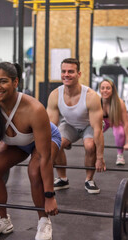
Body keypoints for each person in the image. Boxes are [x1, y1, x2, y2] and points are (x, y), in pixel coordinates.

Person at [0, 62, 61, 240]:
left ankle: (44, 221)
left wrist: (50, 195)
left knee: (34, 170)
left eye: (3, 81)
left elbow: (44, 157)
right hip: (18, 143)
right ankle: (2, 219)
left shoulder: (34, 109)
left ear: (15, 82)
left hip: (45, 139)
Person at [47, 58, 106, 194]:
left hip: (88, 125)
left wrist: (100, 157)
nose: (66, 74)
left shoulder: (91, 96)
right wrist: (44, 155)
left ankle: (89, 180)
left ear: (78, 74)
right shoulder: (55, 95)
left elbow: (97, 129)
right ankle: (62, 179)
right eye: (64, 71)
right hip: (69, 125)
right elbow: (50, 126)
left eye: (71, 71)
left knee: (90, 146)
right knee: (56, 143)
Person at [99, 79, 128, 165]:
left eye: (108, 88)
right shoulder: (97, 102)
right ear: (99, 89)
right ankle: (98, 156)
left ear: (112, 90)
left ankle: (120, 155)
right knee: (95, 133)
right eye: (103, 88)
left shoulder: (119, 103)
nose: (105, 90)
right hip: (103, 121)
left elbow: (126, 123)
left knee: (120, 133)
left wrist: (127, 142)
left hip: (116, 121)